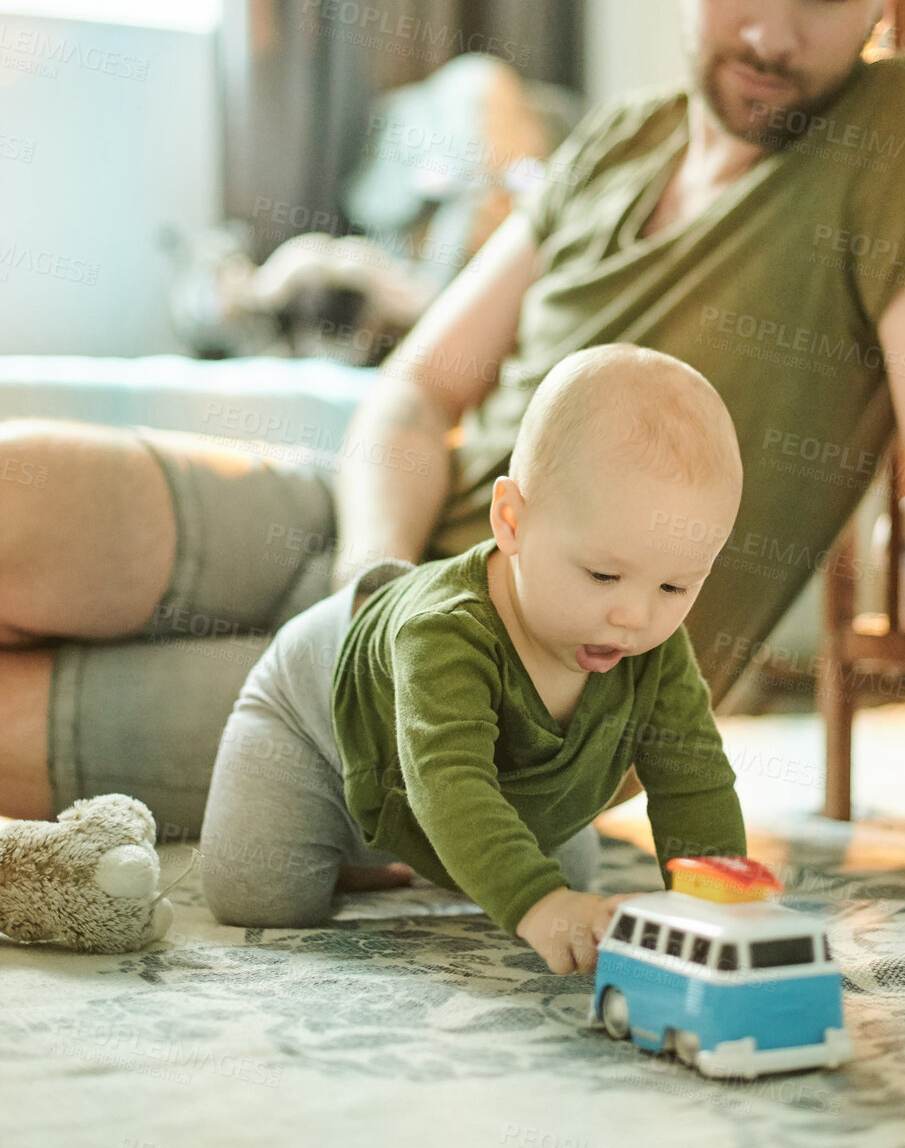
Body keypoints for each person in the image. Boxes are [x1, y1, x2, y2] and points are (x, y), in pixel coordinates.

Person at [2, 0, 905, 928]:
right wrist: (374, 584)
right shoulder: (613, 141)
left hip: (518, 669)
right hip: (364, 557)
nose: (767, 31)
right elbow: (417, 391)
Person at [199, 345, 746, 973]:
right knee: (260, 893)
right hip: (314, 722)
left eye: (674, 587)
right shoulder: (445, 632)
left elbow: (694, 774)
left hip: (469, 784)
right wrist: (539, 905)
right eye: (602, 574)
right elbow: (450, 780)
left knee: (570, 869)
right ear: (511, 520)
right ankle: (354, 841)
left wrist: (722, 903)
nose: (635, 617)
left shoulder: (650, 646)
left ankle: (430, 849)